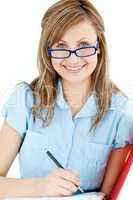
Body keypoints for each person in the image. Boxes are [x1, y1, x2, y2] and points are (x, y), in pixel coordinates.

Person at [0, 0, 133, 199]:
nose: (73, 58)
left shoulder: (121, 113)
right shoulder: (25, 101)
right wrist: (42, 186)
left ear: (99, 48)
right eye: (61, 46)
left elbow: (107, 196)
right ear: (48, 51)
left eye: (84, 45)